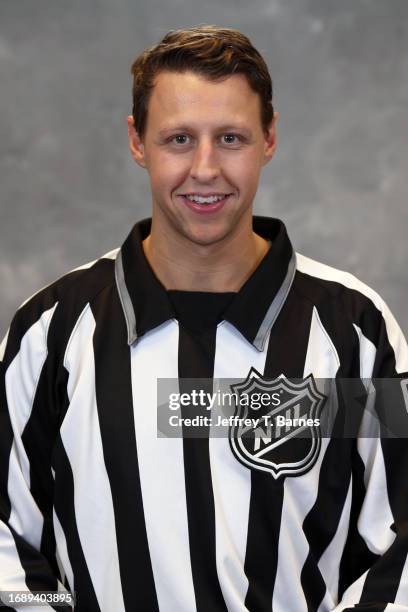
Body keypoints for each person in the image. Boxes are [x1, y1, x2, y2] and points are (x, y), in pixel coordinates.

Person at [1, 24, 407, 612]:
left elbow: (401, 538)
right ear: (138, 141)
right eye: (179, 139)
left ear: (269, 138)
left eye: (232, 138)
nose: (206, 169)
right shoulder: (52, 332)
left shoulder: (354, 333)